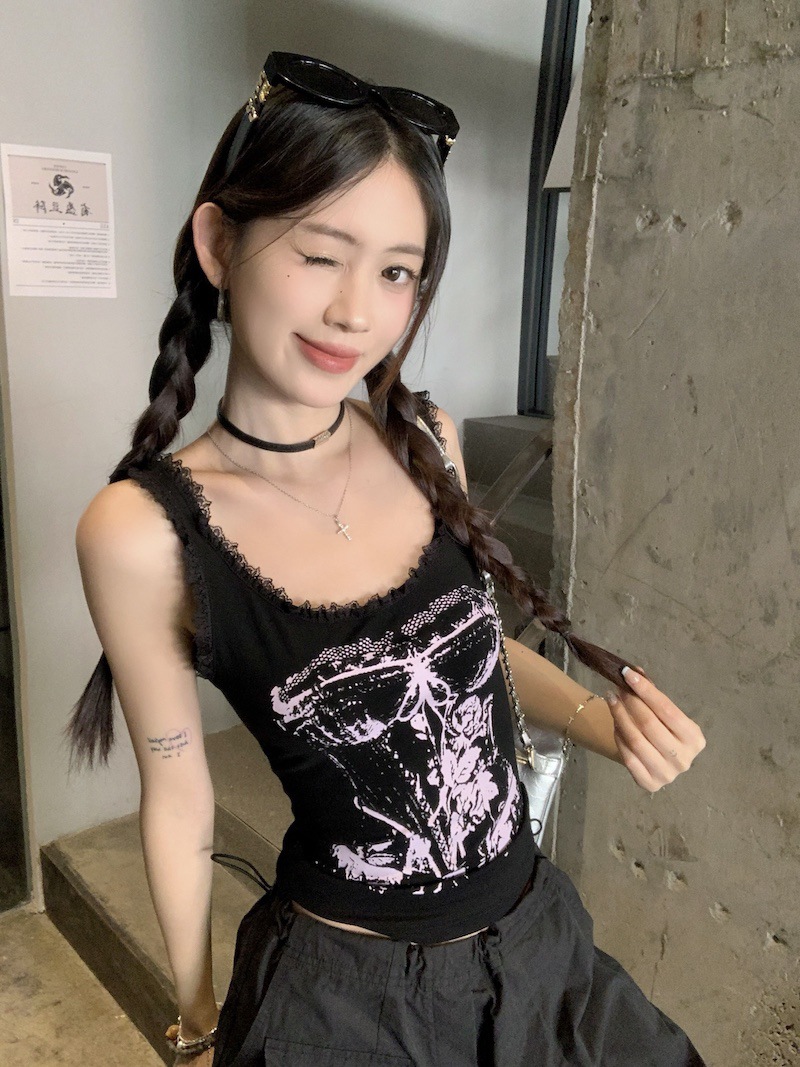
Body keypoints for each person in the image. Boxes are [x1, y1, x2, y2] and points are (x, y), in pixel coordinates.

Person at [69, 51, 707, 1067]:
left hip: (536, 942)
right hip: (347, 1002)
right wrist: (195, 1018)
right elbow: (180, 792)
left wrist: (599, 717)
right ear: (219, 243)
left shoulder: (424, 440)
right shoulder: (143, 531)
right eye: (320, 254)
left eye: (397, 271)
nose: (355, 312)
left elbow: (467, 645)